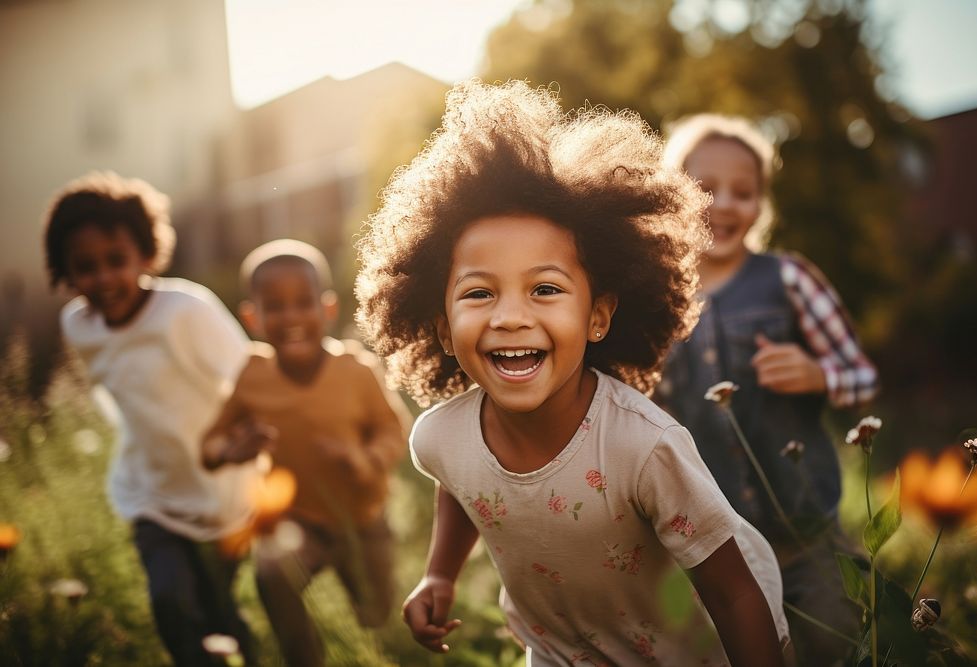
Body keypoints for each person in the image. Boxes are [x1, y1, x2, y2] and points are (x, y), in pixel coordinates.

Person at [355, 80, 790, 666]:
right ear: (440, 328)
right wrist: (439, 575)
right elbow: (457, 484)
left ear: (598, 316)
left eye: (545, 289)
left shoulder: (644, 447)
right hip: (562, 652)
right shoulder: (438, 436)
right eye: (480, 292)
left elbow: (734, 593)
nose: (510, 317)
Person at [657, 113, 879, 664]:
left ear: (761, 204)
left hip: (809, 537)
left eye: (744, 191)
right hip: (711, 552)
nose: (725, 204)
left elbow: (863, 378)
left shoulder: (789, 279)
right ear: (672, 194)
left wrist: (818, 374)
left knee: (836, 645)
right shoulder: (657, 303)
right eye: (706, 188)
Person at [43, 171, 258, 665]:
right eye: (85, 267)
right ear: (66, 272)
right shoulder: (78, 324)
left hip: (221, 488)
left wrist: (243, 440)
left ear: (146, 253)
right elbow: (113, 390)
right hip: (151, 493)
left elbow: (249, 379)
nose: (103, 279)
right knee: (170, 601)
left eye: (116, 261)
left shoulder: (184, 311)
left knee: (219, 613)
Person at [201, 239, 410, 667]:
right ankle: (304, 658)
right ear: (252, 316)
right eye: (275, 306)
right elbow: (209, 446)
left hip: (362, 520)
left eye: (303, 303)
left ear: (328, 308)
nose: (291, 317)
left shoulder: (356, 370)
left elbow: (395, 430)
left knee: (377, 615)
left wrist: (362, 459)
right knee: (272, 573)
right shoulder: (253, 375)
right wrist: (231, 450)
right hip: (298, 522)